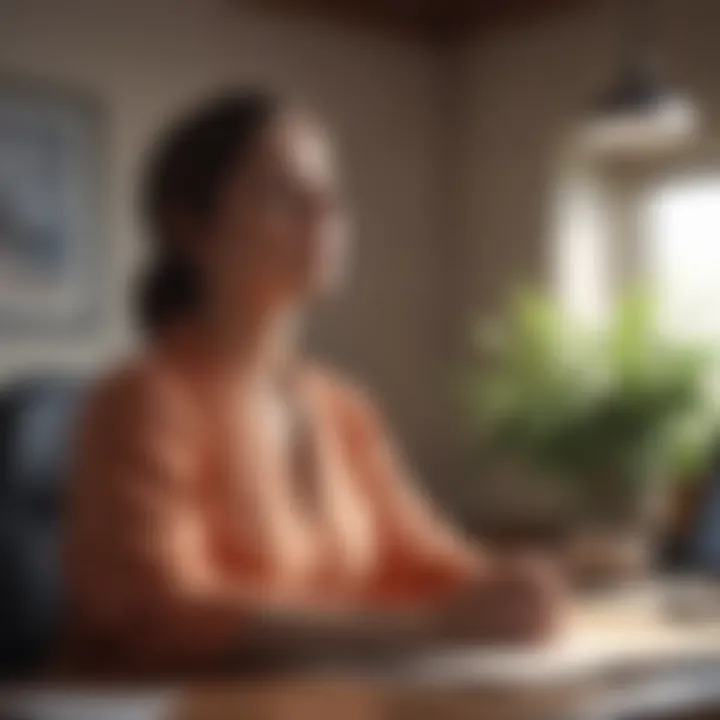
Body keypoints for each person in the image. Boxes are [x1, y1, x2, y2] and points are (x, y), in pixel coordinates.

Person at [61, 90, 561, 678]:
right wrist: (425, 629)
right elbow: (160, 610)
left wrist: (522, 583)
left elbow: (419, 557)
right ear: (190, 226)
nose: (325, 212)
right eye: (283, 192)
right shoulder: (143, 400)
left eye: (330, 193)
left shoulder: (343, 406)